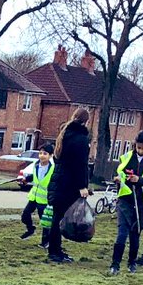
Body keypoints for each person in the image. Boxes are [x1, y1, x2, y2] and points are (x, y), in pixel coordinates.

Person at [46, 107, 92, 264]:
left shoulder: (64, 135)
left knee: (57, 217)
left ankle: (55, 249)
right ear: (87, 121)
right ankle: (55, 252)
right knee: (60, 218)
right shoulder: (81, 139)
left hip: (59, 180)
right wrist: (83, 185)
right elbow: (80, 165)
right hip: (69, 183)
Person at [109, 130, 143, 275]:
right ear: (135, 145)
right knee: (122, 233)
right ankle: (115, 264)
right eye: (139, 147)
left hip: (142, 204)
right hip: (125, 201)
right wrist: (118, 179)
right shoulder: (126, 157)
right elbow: (118, 174)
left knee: (135, 234)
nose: (141, 151)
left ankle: (132, 263)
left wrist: (139, 180)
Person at [19, 142, 55, 243]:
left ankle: (45, 242)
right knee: (25, 215)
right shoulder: (36, 165)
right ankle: (31, 229)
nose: (42, 156)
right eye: (40, 153)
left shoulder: (53, 169)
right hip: (33, 197)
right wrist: (25, 179)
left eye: (45, 154)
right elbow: (34, 177)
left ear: (50, 156)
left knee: (45, 222)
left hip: (44, 200)